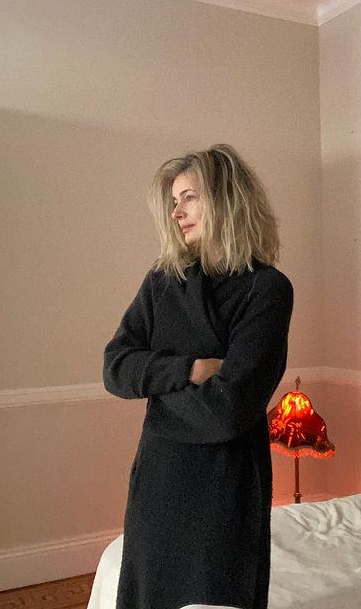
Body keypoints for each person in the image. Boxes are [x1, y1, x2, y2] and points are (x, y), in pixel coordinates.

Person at [102, 143, 294, 609]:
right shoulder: (162, 281)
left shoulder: (267, 289)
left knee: (216, 593)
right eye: (174, 202)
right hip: (158, 477)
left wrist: (157, 391)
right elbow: (115, 368)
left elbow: (229, 410)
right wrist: (188, 369)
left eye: (189, 197)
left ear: (227, 199)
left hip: (225, 483)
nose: (177, 213)